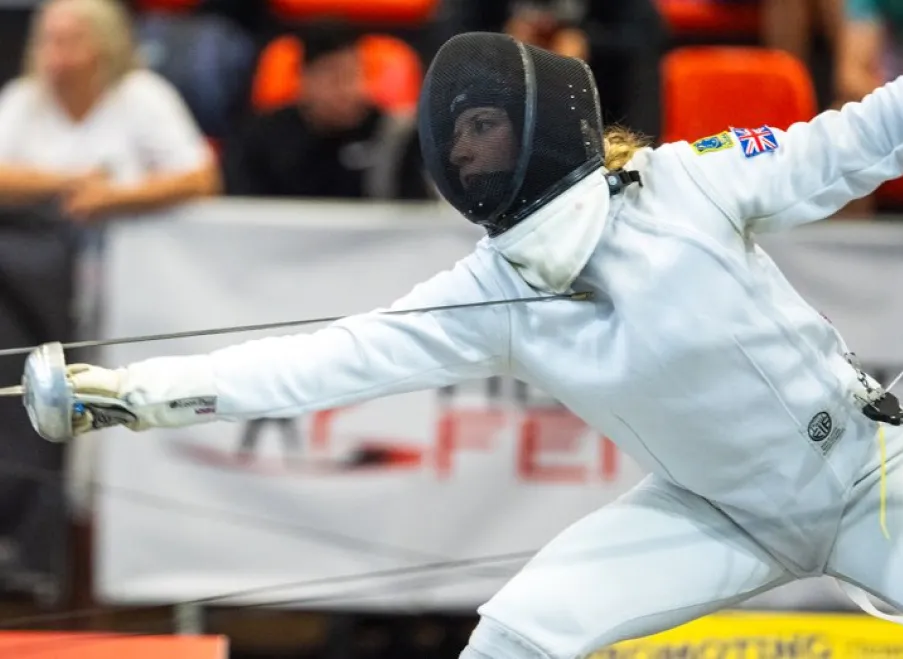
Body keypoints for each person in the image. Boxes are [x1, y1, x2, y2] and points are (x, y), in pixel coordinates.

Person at [55, 32, 903, 658]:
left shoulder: (686, 183)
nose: (462, 150)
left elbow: (859, 138)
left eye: (483, 125)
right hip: (717, 512)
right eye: (454, 136)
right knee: (508, 639)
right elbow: (317, 362)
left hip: (863, 471)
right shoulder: (489, 290)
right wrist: (133, 393)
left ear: (544, 121)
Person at [0, 0, 219, 223]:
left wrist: (116, 197)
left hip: (135, 242)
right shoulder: (23, 97)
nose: (56, 56)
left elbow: (202, 180)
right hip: (36, 243)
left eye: (70, 42)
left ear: (106, 45)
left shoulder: (143, 94)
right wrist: (69, 182)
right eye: (48, 40)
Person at [220, 22, 432, 201]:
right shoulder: (258, 140)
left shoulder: (396, 137)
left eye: (357, 75)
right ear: (305, 80)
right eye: (336, 79)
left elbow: (416, 215)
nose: (351, 90)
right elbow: (243, 212)